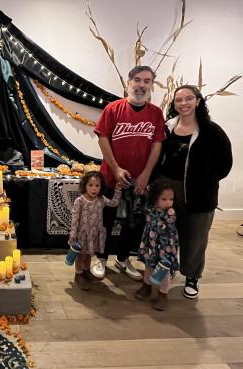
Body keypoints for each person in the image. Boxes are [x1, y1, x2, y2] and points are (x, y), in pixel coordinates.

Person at [92, 66, 166, 281]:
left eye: (147, 81)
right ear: (129, 82)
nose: (141, 85)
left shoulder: (155, 113)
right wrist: (115, 169)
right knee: (105, 221)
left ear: (152, 85)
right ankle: (101, 258)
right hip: (110, 178)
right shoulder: (113, 109)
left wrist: (145, 175)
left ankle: (123, 259)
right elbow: (103, 138)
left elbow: (157, 145)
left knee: (134, 223)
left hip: (139, 181)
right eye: (137, 79)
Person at [158, 85, 232, 299]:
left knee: (196, 237)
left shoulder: (212, 130)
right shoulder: (167, 127)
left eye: (188, 98)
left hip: (200, 194)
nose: (183, 103)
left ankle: (191, 276)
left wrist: (206, 181)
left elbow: (225, 163)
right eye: (178, 100)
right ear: (174, 104)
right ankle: (168, 266)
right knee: (168, 233)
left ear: (198, 101)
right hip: (168, 190)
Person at [69, 171, 122, 290]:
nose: (94, 188)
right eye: (90, 185)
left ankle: (86, 271)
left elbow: (114, 203)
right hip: (82, 234)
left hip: (94, 234)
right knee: (81, 256)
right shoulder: (80, 201)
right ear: (85, 186)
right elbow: (75, 217)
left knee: (89, 254)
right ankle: (78, 274)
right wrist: (73, 232)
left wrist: (118, 190)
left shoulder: (101, 199)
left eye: (97, 185)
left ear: (101, 187)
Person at [135, 180, 179, 311]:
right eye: (164, 199)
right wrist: (142, 194)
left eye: (171, 199)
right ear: (155, 198)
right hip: (150, 244)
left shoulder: (170, 213)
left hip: (165, 247)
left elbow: (169, 230)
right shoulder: (150, 209)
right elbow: (138, 208)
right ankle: (146, 286)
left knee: (164, 271)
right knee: (148, 266)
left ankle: (163, 294)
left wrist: (169, 252)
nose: (168, 202)